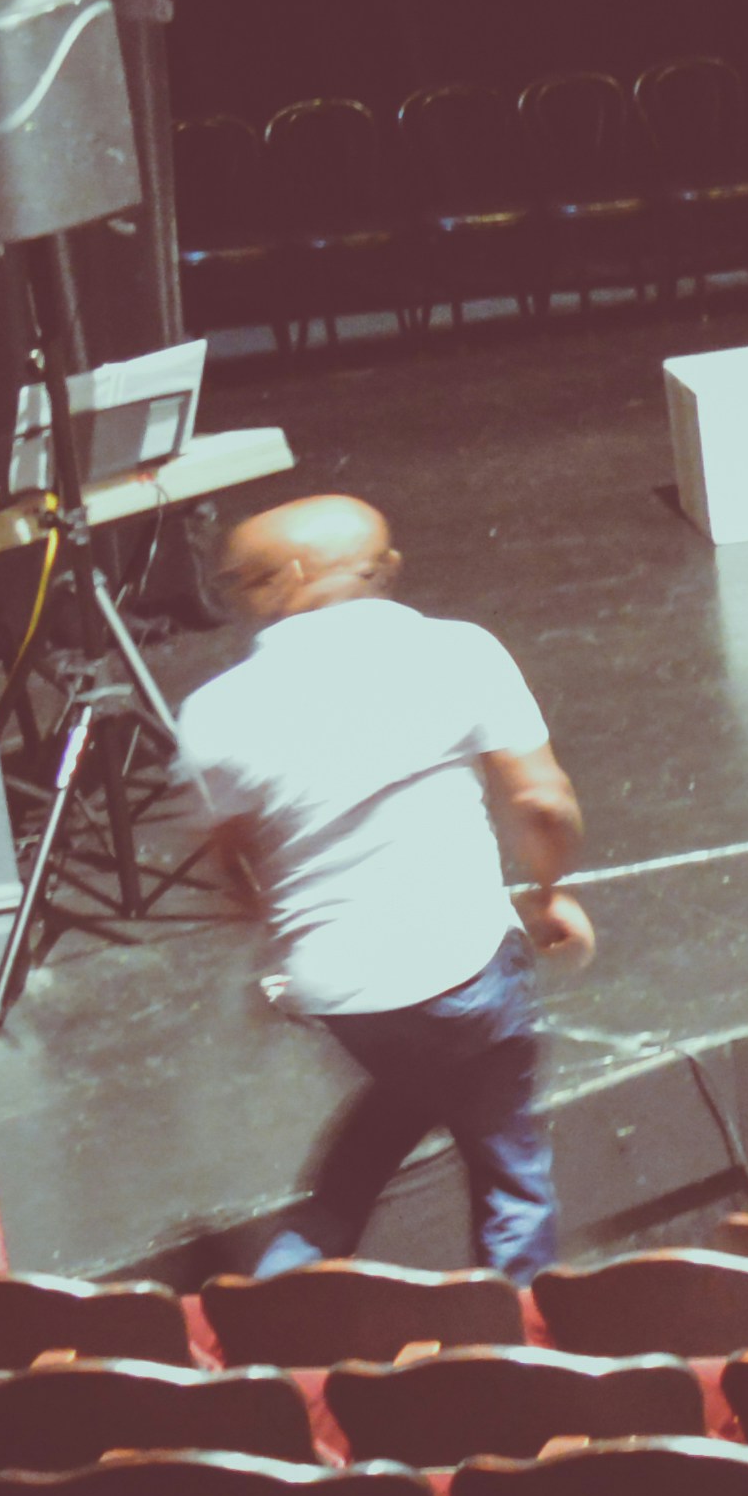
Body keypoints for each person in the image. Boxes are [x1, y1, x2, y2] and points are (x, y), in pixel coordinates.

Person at [176, 496, 592, 1286]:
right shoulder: (459, 652)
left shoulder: (212, 713)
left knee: (408, 1092)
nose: (232, 598)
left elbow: (231, 860)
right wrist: (551, 894)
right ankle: (516, 1348)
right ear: (381, 571)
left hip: (341, 995)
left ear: (289, 579)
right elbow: (543, 800)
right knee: (507, 1164)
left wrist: (278, 936)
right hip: (463, 971)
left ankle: (289, 1284)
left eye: (236, 582)